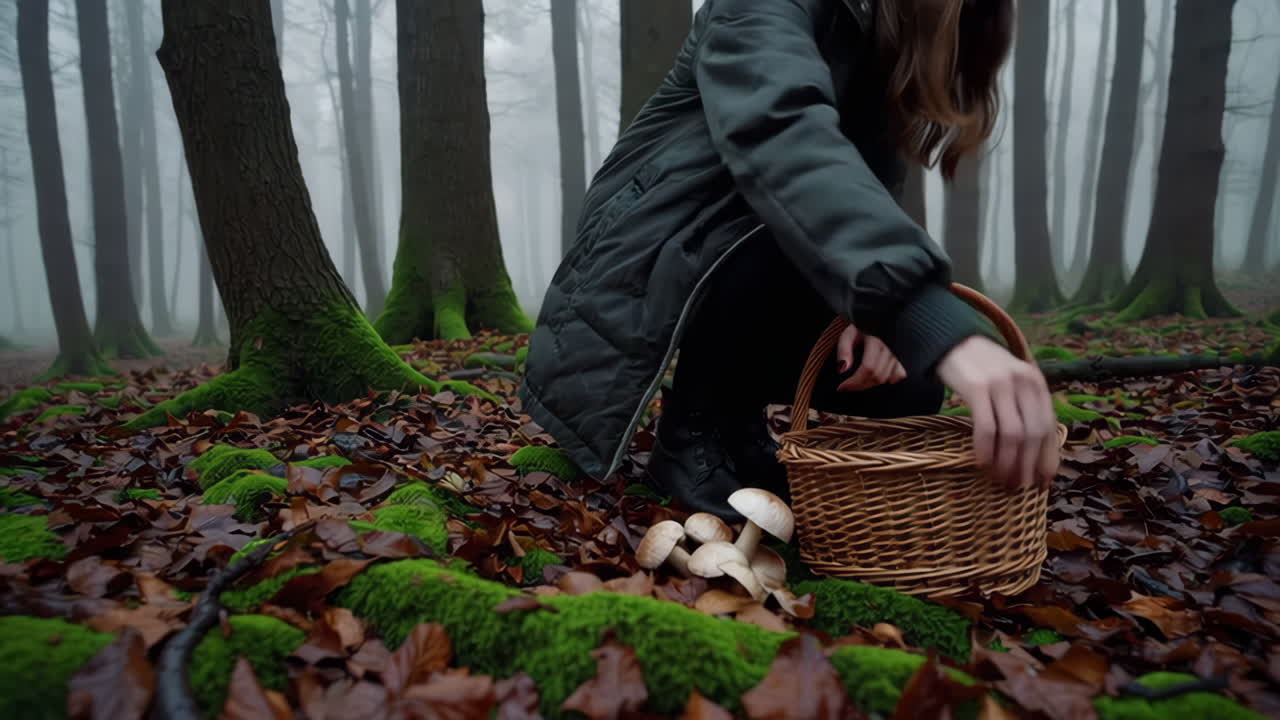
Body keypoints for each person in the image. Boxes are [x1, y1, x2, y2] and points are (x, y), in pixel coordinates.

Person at [519, 0, 1059, 523]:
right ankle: (691, 431)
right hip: (657, 244)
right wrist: (911, 306)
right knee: (771, 216)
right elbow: (779, 135)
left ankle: (736, 422)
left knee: (910, 381)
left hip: (753, 248)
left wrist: (869, 309)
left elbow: (865, 191)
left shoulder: (878, 38)